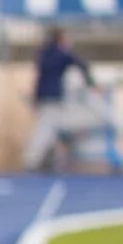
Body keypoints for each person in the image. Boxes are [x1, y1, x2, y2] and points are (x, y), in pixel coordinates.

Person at [21, 26, 97, 170]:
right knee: (45, 129)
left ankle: (46, 159)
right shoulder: (60, 53)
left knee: (50, 129)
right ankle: (32, 160)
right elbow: (81, 63)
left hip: (42, 96)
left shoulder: (43, 52)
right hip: (52, 97)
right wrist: (90, 83)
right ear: (61, 39)